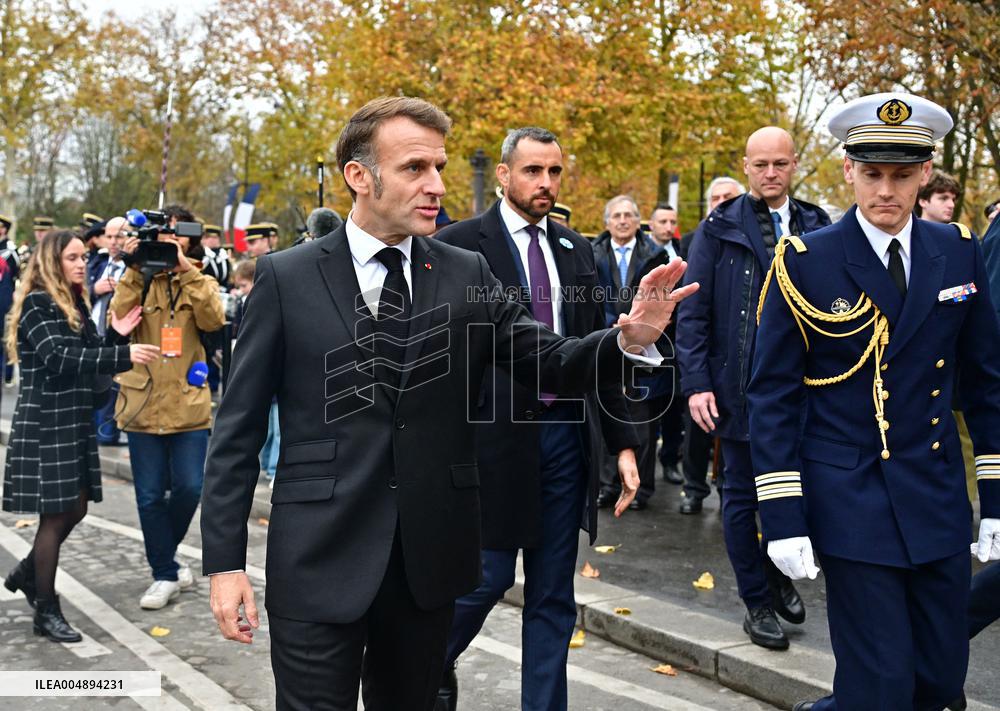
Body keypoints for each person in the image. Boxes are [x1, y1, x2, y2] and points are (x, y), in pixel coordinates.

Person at [199, 96, 695, 711]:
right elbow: (237, 433)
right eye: (415, 168)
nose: (436, 185)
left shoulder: (465, 271)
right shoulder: (287, 277)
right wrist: (224, 564)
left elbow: (552, 360)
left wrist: (630, 338)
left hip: (428, 564)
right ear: (360, 176)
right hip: (318, 557)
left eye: (440, 167)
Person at [749, 93, 1000, 711]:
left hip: (937, 497)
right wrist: (782, 514)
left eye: (902, 174)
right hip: (850, 500)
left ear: (924, 174)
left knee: (940, 683)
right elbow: (773, 394)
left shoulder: (959, 250)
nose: (886, 190)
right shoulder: (807, 261)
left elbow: (987, 383)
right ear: (848, 172)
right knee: (880, 687)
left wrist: (995, 498)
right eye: (873, 173)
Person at [435, 127, 641, 711]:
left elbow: (598, 350)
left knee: (553, 597)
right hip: (489, 445)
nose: (545, 183)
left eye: (553, 171)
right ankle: (418, 669)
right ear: (503, 175)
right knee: (485, 580)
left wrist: (623, 442)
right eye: (532, 171)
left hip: (565, 444)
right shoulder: (457, 245)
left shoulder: (577, 250)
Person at [678, 127, 829, 651]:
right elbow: (692, 314)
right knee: (741, 499)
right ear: (746, 166)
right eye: (761, 164)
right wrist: (697, 384)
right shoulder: (717, 228)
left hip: (804, 393)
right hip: (736, 392)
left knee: (801, 492)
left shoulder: (818, 224)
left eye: (780, 164)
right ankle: (756, 602)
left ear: (793, 166)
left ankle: (775, 569)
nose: (770, 172)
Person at [1, 231, 157, 641]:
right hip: (46, 424)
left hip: (73, 421)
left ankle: (27, 572)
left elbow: (92, 357)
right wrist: (125, 354)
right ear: (52, 262)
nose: (80, 264)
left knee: (78, 508)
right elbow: (60, 357)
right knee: (55, 516)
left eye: (81, 257)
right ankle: (45, 610)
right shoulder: (37, 302)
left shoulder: (73, 303)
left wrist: (118, 335)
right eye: (71, 257)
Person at [109, 205, 226, 610]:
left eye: (175, 238)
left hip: (187, 404)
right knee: (148, 496)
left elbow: (214, 319)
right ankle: (164, 572)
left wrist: (183, 269)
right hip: (141, 403)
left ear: (187, 240)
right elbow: (119, 318)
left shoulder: (197, 278)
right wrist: (135, 267)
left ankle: (165, 557)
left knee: (191, 487)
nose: (167, 245)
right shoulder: (137, 277)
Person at [592, 195, 672, 511]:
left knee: (642, 421)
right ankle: (607, 485)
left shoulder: (655, 255)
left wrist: (637, 326)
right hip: (604, 343)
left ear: (639, 222)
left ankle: (642, 488)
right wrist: (608, 325)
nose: (623, 220)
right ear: (607, 222)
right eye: (616, 215)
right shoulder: (592, 253)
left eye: (628, 215)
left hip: (643, 349)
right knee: (606, 416)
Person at [648, 203, 684, 484]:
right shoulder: (641, 253)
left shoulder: (683, 253)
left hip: (674, 342)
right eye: (662, 221)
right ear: (651, 224)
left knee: (673, 408)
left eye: (672, 221)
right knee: (646, 408)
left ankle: (670, 461)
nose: (668, 226)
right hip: (646, 341)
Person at [90, 217, 129, 445]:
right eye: (110, 236)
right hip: (95, 334)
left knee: (114, 387)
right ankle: (99, 433)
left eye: (120, 236)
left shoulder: (134, 268)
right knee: (98, 386)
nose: (114, 242)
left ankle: (108, 433)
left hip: (118, 335)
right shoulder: (99, 264)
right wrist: (94, 289)